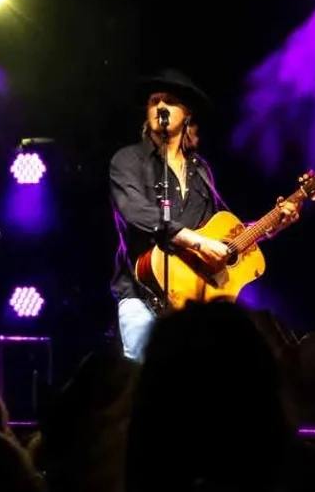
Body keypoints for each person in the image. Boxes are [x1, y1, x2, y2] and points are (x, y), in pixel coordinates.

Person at [106, 68, 295, 362]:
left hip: (191, 299)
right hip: (142, 293)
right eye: (154, 101)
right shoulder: (127, 161)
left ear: (187, 113)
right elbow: (136, 212)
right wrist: (198, 243)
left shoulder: (200, 171)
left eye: (169, 101)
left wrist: (270, 226)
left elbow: (219, 231)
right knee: (146, 378)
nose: (160, 107)